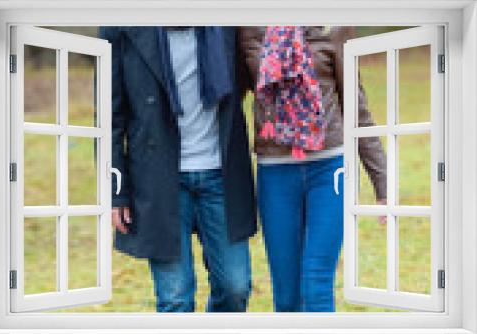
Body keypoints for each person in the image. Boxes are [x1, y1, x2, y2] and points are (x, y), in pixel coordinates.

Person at [100, 26, 257, 312]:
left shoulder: (226, 24)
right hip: (158, 179)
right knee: (175, 298)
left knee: (236, 288)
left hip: (221, 174)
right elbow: (109, 117)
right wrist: (116, 192)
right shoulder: (122, 28)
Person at [238, 26, 387, 312]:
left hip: (329, 168)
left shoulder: (333, 25)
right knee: (287, 294)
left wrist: (382, 182)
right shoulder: (248, 29)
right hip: (275, 171)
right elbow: (227, 99)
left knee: (317, 284)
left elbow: (356, 105)